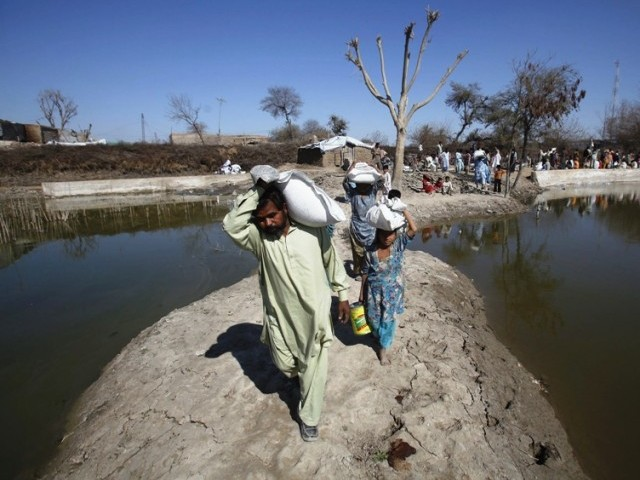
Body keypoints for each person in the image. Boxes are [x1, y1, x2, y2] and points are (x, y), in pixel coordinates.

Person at [223, 180, 351, 442]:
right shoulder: (260, 240)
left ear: (285, 209)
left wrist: (343, 295)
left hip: (314, 316)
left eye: (272, 215)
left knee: (314, 364)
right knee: (286, 364)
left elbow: (332, 261)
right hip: (279, 317)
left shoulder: (313, 232)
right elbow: (231, 225)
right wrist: (258, 188)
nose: (268, 223)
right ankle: (300, 377)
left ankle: (309, 418)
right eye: (261, 219)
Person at [359, 202, 418, 365]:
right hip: (374, 292)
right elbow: (364, 272)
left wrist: (404, 209)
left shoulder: (398, 245)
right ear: (377, 233)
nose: (387, 237)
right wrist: (362, 293)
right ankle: (378, 335)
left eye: (390, 234)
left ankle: (383, 350)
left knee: (388, 320)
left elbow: (414, 229)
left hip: (393, 293)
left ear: (395, 234)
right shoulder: (370, 250)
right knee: (374, 318)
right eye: (383, 234)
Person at [345, 164, 378, 278]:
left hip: (370, 228)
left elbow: (381, 180)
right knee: (357, 251)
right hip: (356, 227)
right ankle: (358, 271)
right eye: (361, 184)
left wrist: (374, 168)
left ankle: (367, 270)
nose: (363, 186)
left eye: (365, 184)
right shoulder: (353, 192)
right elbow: (345, 181)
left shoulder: (373, 191)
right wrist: (351, 167)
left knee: (369, 251)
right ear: (357, 184)